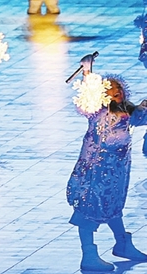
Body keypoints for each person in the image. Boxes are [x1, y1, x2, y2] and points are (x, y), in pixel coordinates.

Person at [66, 55, 147, 271]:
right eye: (110, 88)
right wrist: (87, 71)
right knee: (89, 209)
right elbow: (88, 98)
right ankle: (88, 254)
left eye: (118, 87)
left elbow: (142, 117)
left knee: (113, 206)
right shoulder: (97, 111)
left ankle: (123, 244)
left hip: (117, 172)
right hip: (94, 171)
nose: (116, 90)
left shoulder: (127, 112)